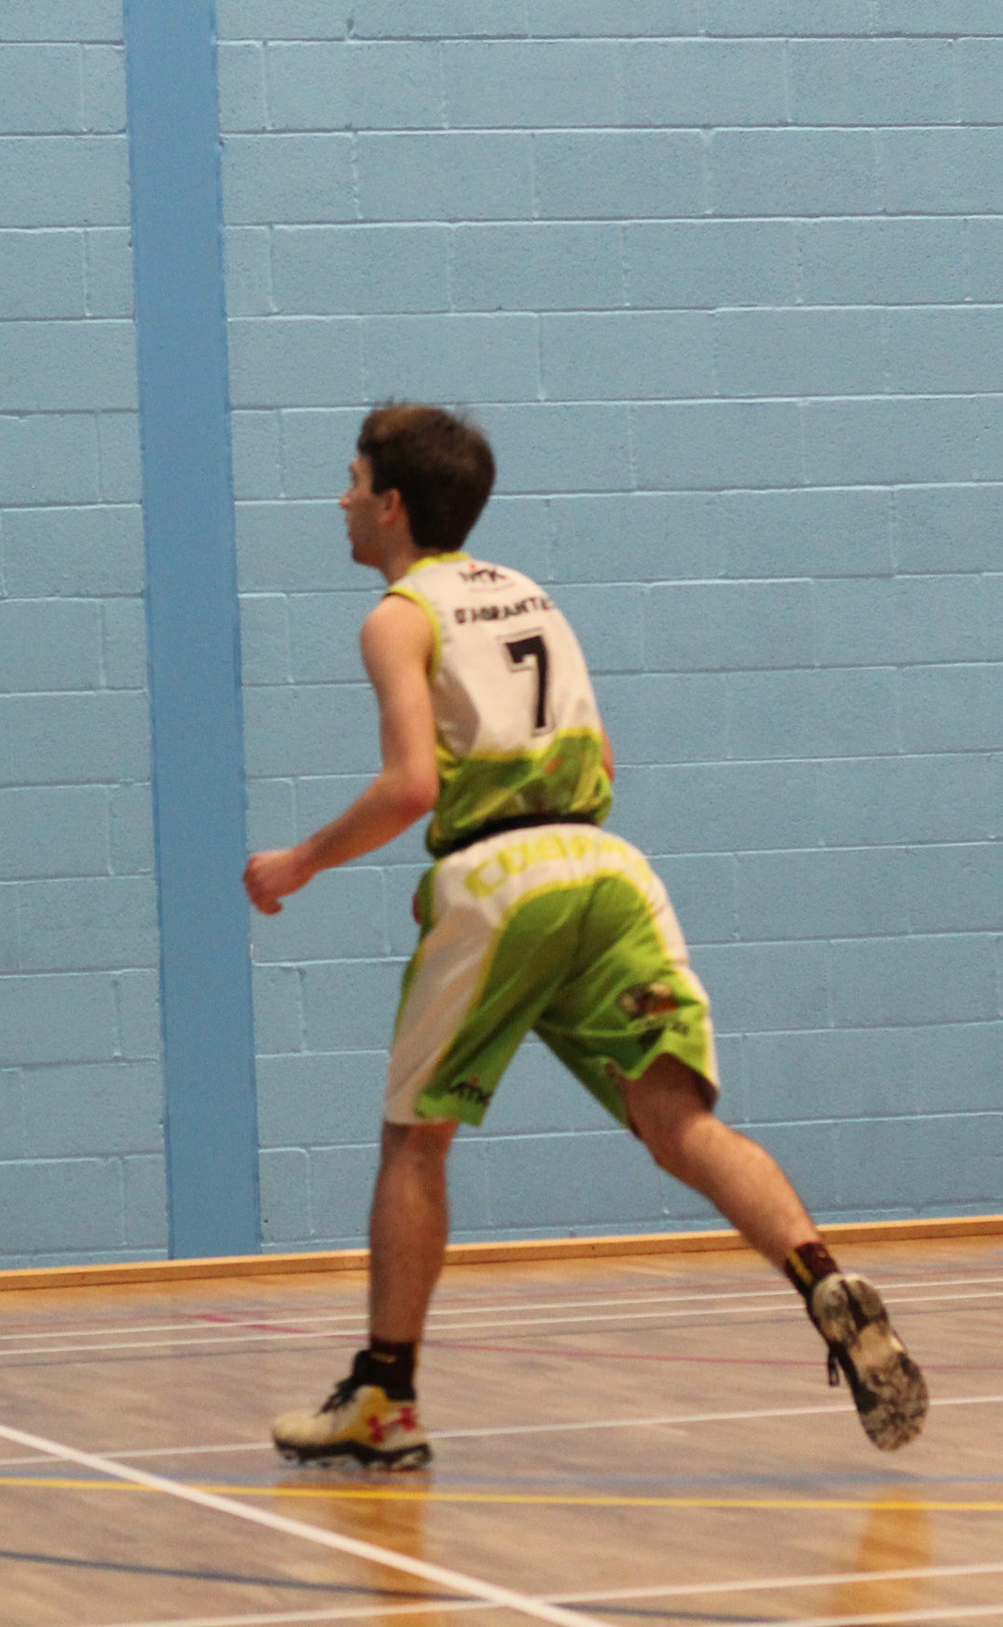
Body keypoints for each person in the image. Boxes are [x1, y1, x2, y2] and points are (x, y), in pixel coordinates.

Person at [244, 403, 927, 1466]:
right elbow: (600, 756)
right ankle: (823, 1279)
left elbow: (412, 786)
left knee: (416, 1138)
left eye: (353, 480)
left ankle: (384, 1399)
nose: (341, 499)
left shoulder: (398, 616)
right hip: (609, 871)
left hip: (499, 881)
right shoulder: (532, 595)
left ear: (392, 504)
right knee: (679, 1121)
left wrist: (300, 860)